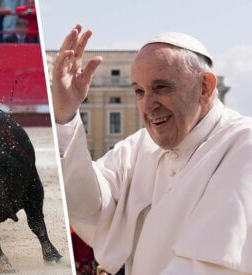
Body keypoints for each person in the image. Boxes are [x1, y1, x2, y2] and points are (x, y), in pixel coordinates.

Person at [53, 25, 252, 274]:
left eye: (161, 88)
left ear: (205, 87)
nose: (147, 105)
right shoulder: (139, 146)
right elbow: (87, 207)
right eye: (139, 91)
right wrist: (65, 114)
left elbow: (210, 265)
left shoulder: (243, 142)